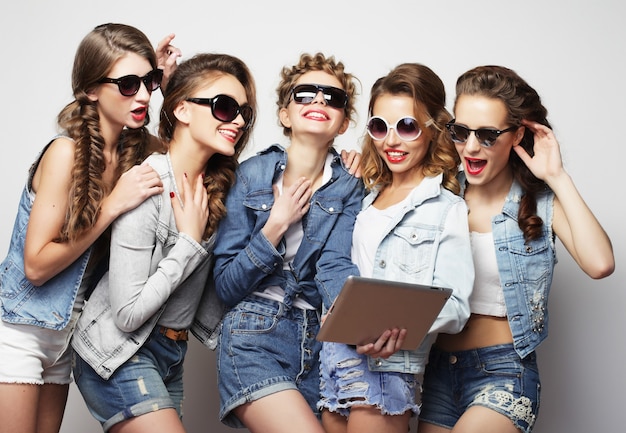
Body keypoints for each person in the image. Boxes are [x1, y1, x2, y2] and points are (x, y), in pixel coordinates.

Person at [0, 23, 179, 433]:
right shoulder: (65, 152)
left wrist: (167, 86)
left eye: (148, 82)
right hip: (20, 330)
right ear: (90, 90)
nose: (144, 95)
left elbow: (185, 156)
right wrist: (113, 206)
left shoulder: (138, 150)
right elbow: (36, 265)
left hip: (65, 336)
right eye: (129, 83)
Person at [417, 65, 615, 433]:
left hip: (504, 372)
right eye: (461, 132)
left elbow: (600, 264)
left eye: (488, 135)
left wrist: (556, 176)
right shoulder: (439, 195)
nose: (471, 147)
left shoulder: (539, 203)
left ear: (517, 134)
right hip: (438, 371)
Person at [70, 52, 257, 433]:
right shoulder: (149, 183)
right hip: (118, 353)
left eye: (243, 113)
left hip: (172, 353)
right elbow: (127, 314)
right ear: (183, 110)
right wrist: (188, 243)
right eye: (224, 107)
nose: (237, 120)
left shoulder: (216, 189)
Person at [317, 63, 474, 433]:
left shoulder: (445, 208)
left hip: (386, 369)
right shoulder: (365, 197)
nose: (391, 141)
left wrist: (391, 324)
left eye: (407, 126)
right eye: (379, 126)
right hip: (335, 361)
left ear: (433, 129)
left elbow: (456, 305)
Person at [211, 52, 363, 433]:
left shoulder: (351, 183)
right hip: (253, 336)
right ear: (284, 114)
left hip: (321, 341)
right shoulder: (250, 176)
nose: (319, 101)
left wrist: (345, 309)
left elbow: (336, 264)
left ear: (343, 123)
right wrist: (274, 225)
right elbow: (226, 286)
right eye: (305, 93)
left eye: (333, 97)